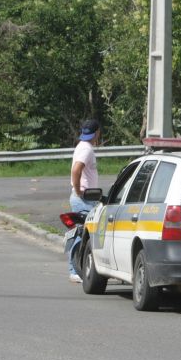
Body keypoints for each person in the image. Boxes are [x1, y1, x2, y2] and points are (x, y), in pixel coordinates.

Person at [68, 119, 101, 282]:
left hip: (84, 198)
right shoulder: (86, 149)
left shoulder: (83, 146)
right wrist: (78, 188)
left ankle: (76, 269)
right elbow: (76, 170)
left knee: (79, 234)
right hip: (83, 199)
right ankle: (75, 270)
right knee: (82, 235)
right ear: (97, 133)